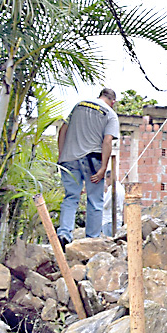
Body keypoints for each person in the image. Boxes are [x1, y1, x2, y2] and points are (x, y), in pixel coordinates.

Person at [56, 88, 119, 245]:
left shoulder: (79, 105)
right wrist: (104, 167)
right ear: (113, 102)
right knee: (95, 201)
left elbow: (63, 129)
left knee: (71, 197)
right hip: (93, 161)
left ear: (99, 96)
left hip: (69, 158)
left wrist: (61, 155)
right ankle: (92, 239)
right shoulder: (110, 114)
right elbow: (107, 141)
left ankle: (64, 233)